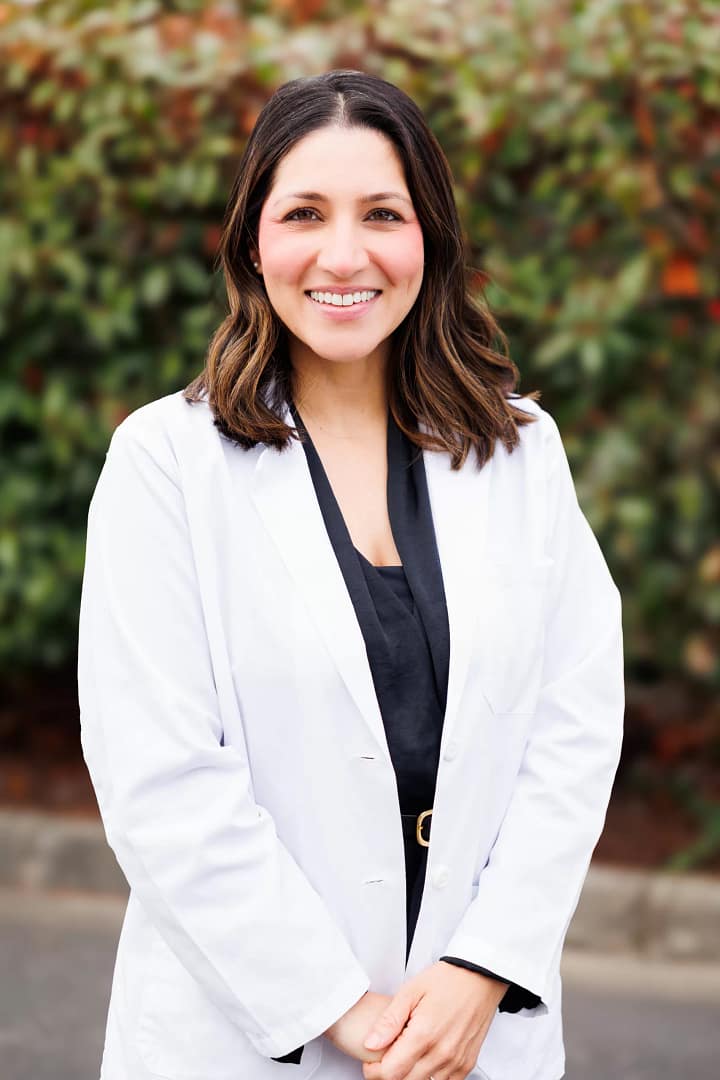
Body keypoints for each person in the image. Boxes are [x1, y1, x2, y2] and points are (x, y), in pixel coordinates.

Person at [78, 69, 624, 1080]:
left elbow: (573, 731)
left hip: (477, 1036)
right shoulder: (166, 465)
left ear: (431, 238)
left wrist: (482, 969)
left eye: (382, 213)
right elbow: (161, 782)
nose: (344, 255)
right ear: (253, 241)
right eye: (304, 214)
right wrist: (347, 1012)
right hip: (250, 1039)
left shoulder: (521, 453)